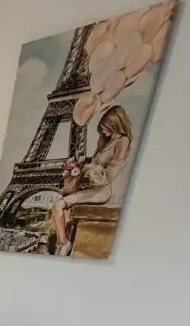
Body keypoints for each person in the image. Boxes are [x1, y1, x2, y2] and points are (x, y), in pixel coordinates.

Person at [50, 105, 133, 256]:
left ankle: (62, 244)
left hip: (100, 191)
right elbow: (97, 165)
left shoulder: (123, 140)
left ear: (115, 123)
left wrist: (88, 168)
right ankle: (62, 244)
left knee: (58, 206)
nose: (102, 130)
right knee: (58, 208)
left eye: (105, 126)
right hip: (92, 188)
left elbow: (110, 173)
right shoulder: (106, 142)